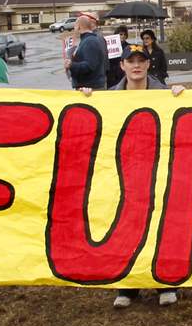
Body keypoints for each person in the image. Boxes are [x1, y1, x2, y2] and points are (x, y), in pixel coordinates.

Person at [79, 43, 185, 307]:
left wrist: (183, 97)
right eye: (131, 61)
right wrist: (87, 98)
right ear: (122, 66)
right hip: (123, 169)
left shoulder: (165, 94)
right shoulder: (109, 97)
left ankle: (164, 283)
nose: (136, 65)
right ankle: (127, 286)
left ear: (149, 65)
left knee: (161, 223)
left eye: (141, 60)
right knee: (123, 224)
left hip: (158, 168)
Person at [66, 15, 108, 90]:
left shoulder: (90, 41)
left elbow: (89, 66)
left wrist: (71, 65)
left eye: (75, 27)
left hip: (91, 89)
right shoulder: (88, 40)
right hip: (90, 87)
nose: (74, 29)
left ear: (79, 27)